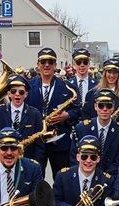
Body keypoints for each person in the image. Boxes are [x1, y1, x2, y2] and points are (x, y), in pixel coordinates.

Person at [27, 48, 80, 177]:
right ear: (38, 64)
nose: (46, 65)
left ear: (55, 65)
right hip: (35, 141)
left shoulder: (69, 87)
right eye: (43, 61)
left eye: (50, 62)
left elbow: (78, 110)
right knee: (35, 180)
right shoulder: (27, 86)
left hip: (60, 141)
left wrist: (67, 115)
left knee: (62, 179)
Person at [70, 88, 119, 179]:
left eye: (108, 106)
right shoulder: (82, 128)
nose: (104, 109)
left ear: (113, 107)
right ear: (95, 107)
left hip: (111, 178)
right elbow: (74, 156)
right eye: (101, 105)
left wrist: (104, 178)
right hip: (85, 175)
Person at [0, 74, 45, 165]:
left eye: (21, 92)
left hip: (27, 161)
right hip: (3, 161)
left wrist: (35, 164)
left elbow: (39, 144)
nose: (17, 94)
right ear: (9, 94)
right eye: (13, 91)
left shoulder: (35, 113)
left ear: (26, 94)